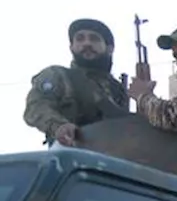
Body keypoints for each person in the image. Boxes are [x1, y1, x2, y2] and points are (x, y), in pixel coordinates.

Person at [24, 18, 131, 147]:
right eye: (80, 38)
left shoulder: (117, 89)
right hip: (72, 156)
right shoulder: (59, 75)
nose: (86, 43)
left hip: (114, 158)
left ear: (109, 48)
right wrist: (59, 126)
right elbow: (36, 107)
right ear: (72, 47)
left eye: (94, 38)